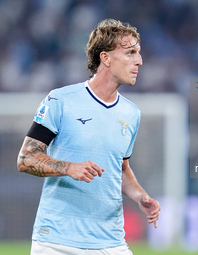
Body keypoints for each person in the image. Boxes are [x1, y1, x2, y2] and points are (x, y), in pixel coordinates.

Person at [17, 18, 161, 255]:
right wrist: (68, 167)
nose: (139, 61)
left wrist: (140, 196)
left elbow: (121, 169)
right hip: (57, 241)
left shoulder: (131, 114)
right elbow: (26, 158)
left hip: (111, 241)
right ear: (105, 58)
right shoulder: (61, 100)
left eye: (139, 53)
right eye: (130, 53)